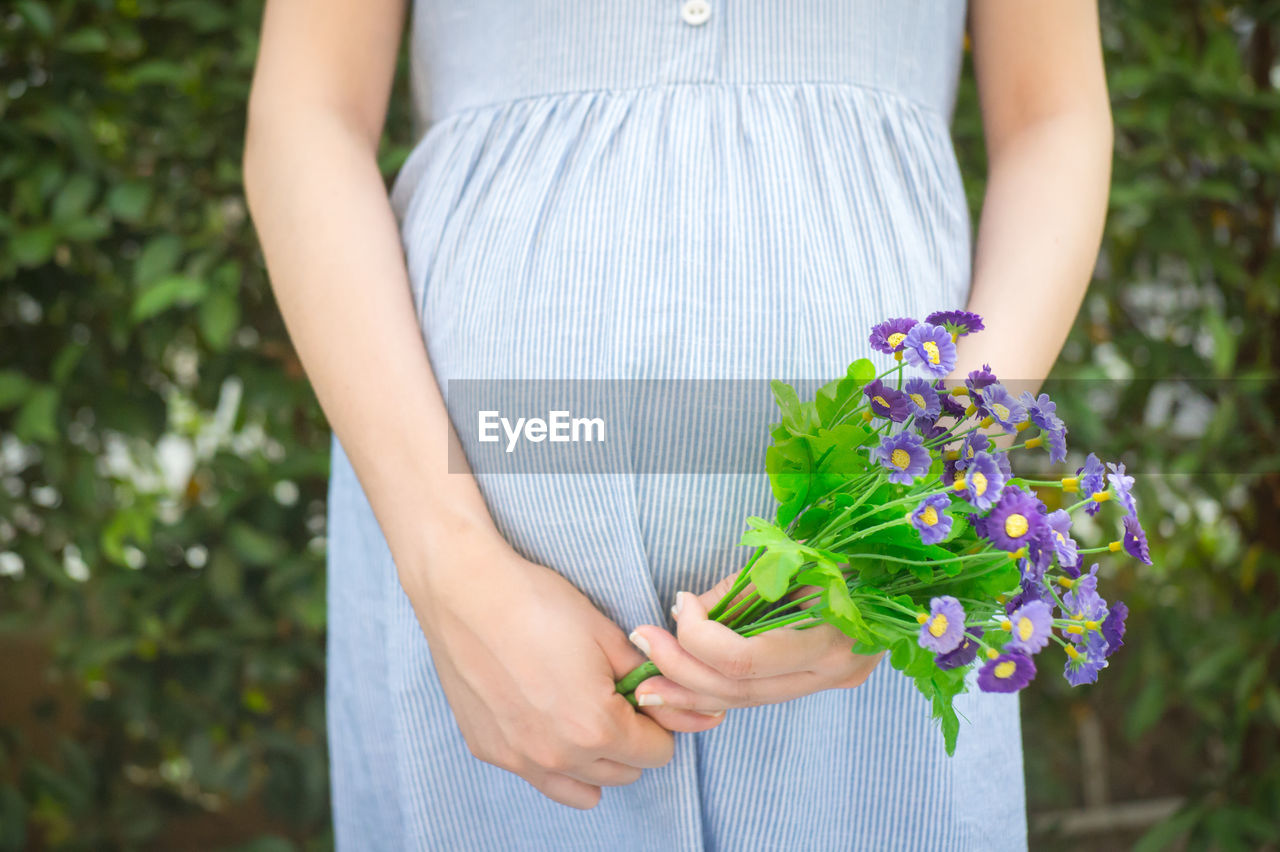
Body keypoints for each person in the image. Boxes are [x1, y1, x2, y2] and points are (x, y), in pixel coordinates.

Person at [242, 1, 1112, 848]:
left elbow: (1053, 119)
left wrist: (921, 518)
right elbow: (308, 109)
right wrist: (445, 560)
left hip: (873, 596)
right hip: (468, 597)